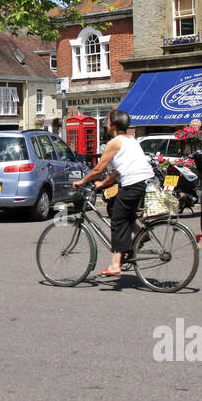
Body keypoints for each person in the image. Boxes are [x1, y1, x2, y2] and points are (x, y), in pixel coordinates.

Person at [74, 110, 155, 279]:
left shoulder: (114, 143)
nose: (107, 125)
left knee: (118, 219)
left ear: (114, 126)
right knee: (114, 206)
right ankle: (141, 234)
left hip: (133, 183)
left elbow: (98, 169)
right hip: (144, 181)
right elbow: (120, 168)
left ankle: (115, 264)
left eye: (108, 122)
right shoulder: (132, 140)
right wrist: (104, 183)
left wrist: (82, 182)